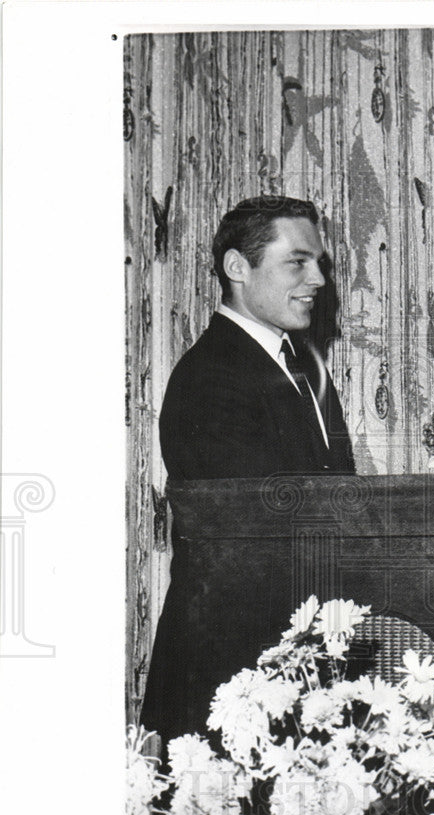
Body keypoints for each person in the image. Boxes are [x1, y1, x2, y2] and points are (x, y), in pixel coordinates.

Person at [140, 196, 355, 745]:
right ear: (238, 268)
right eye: (298, 262)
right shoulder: (212, 379)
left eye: (319, 264)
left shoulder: (299, 366)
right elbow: (260, 542)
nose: (318, 281)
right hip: (232, 671)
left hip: (291, 655)